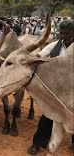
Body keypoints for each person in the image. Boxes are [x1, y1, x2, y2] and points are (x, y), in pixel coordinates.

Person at [27, 18, 74, 155]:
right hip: (55, 91)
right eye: (62, 33)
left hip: (72, 92)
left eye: (67, 34)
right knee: (48, 117)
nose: (63, 37)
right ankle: (38, 143)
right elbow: (39, 56)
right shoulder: (54, 46)